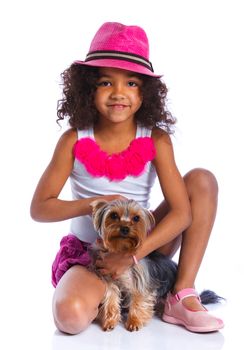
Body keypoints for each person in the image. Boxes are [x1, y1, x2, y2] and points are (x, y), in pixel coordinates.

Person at [30, 22, 224, 334]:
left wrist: (132, 256)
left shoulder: (156, 139)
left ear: (145, 92)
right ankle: (109, 292)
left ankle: (180, 292)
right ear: (88, 88)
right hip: (92, 254)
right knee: (70, 317)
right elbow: (39, 208)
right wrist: (93, 204)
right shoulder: (73, 140)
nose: (119, 93)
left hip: (143, 241)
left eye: (131, 84)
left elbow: (182, 213)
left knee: (202, 180)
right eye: (106, 82)